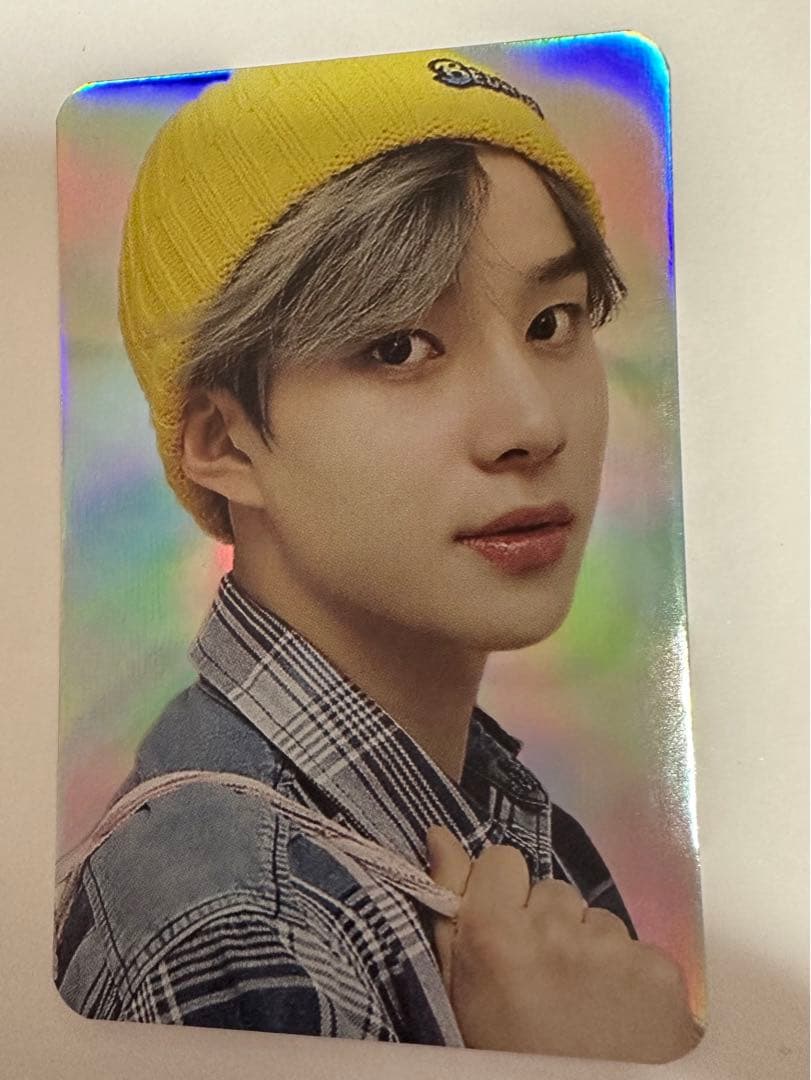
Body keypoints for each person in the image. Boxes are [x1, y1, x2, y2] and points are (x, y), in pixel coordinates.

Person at [55, 47, 701, 1062]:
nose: (532, 425)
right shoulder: (240, 920)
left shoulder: (465, 800)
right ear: (224, 441)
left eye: (552, 323)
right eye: (397, 347)